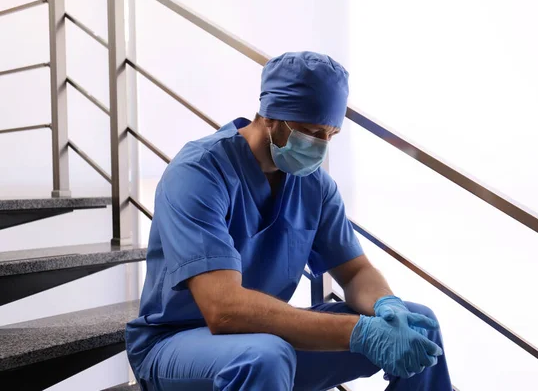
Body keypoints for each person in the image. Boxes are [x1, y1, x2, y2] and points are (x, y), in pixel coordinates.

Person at [125, 51, 452, 391]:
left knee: (419, 326)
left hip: (264, 342)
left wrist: (387, 305)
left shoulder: (314, 186)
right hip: (177, 347)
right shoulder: (199, 172)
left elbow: (355, 272)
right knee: (265, 355)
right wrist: (358, 334)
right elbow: (223, 309)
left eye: (331, 135)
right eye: (311, 132)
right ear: (270, 116)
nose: (321, 147)